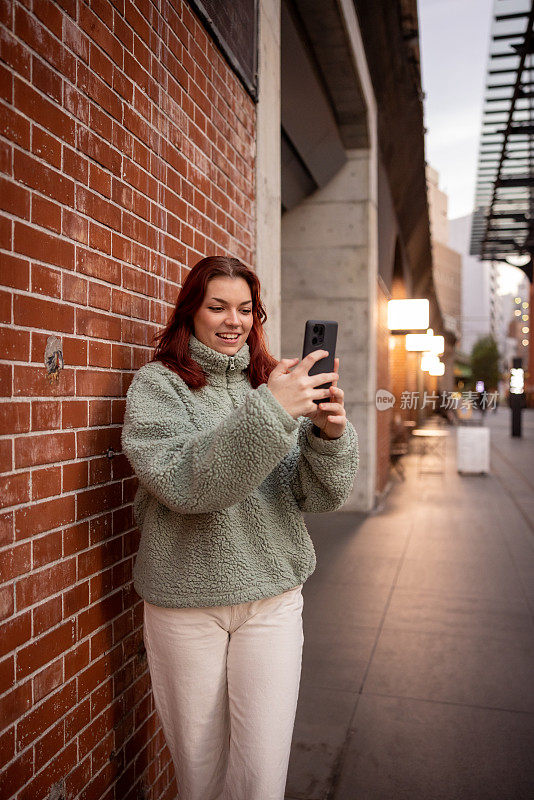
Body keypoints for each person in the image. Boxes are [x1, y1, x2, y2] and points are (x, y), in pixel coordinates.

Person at [121, 255, 359, 800]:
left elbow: (321, 493)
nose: (235, 321)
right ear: (191, 313)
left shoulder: (273, 384)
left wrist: (326, 435)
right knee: (199, 773)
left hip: (273, 597)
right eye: (218, 307)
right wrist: (274, 411)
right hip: (187, 603)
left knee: (261, 776)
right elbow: (186, 484)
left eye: (246, 309)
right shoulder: (159, 387)